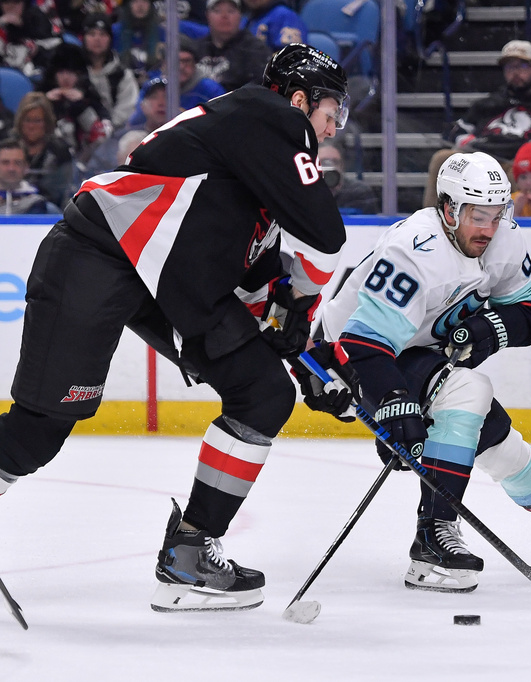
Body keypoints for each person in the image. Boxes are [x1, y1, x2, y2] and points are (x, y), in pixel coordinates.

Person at [0, 44, 359, 613]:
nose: (334, 125)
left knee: (263, 392)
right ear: (298, 100)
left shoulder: (252, 170)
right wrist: (299, 301)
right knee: (42, 425)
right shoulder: (268, 118)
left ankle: (188, 555)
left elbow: (265, 291)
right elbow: (324, 235)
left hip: (169, 283)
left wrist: (313, 360)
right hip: (100, 255)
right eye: (330, 109)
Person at [318, 152, 531, 593]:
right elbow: (365, 343)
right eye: (478, 216)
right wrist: (392, 404)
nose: (489, 228)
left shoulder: (502, 238)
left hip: (414, 349)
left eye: (497, 215)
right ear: (449, 209)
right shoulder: (413, 249)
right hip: (345, 356)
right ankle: (432, 538)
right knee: (467, 389)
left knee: (495, 438)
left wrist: (490, 327)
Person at [422, 39, 531, 208]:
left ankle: (516, 229)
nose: (516, 72)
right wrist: (471, 142)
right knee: (441, 159)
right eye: (510, 67)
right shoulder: (489, 103)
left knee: (521, 173)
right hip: (481, 159)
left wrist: (529, 149)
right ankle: (432, 224)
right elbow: (455, 130)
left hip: (516, 162)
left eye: (523, 66)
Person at [41, 43, 113, 158]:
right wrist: (44, 103)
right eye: (61, 72)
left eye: (70, 72)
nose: (66, 78)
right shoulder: (40, 96)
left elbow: (104, 135)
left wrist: (82, 107)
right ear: (53, 75)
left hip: (88, 158)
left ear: (79, 74)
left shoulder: (91, 98)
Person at [13, 92, 74, 208]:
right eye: (27, 120)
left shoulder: (60, 152)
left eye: (37, 121)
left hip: (48, 210)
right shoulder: (8, 149)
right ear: (20, 122)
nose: (31, 126)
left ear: (46, 122)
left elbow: (63, 192)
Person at [196, 0, 272, 92]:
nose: (224, 16)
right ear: (207, 15)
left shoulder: (256, 51)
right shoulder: (196, 49)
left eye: (230, 11)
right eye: (217, 11)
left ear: (240, 16)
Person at [83, 12, 140, 131]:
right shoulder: (75, 71)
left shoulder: (122, 74)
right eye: (92, 34)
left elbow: (127, 109)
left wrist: (106, 129)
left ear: (110, 39)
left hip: (113, 135)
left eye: (103, 34)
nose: (97, 39)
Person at [0, 0, 60, 78]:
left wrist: (37, 50)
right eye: (6, 2)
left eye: (16, 2)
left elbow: (56, 47)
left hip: (36, 70)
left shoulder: (37, 18)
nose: (11, 6)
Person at [318, 139, 379, 214]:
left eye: (335, 162)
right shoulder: (303, 191)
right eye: (323, 162)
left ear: (342, 166)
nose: (330, 167)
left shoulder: (358, 192)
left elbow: (369, 223)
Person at [0, 138, 58, 214]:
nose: (11, 168)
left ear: (26, 167)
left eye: (18, 163)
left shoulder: (43, 206)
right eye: (5, 162)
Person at [112, 0, 164, 81]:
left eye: (145, 1)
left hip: (154, 86)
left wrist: (150, 77)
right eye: (135, 1)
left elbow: (166, 65)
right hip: (121, 83)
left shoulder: (161, 33)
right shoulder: (114, 32)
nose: (140, 5)